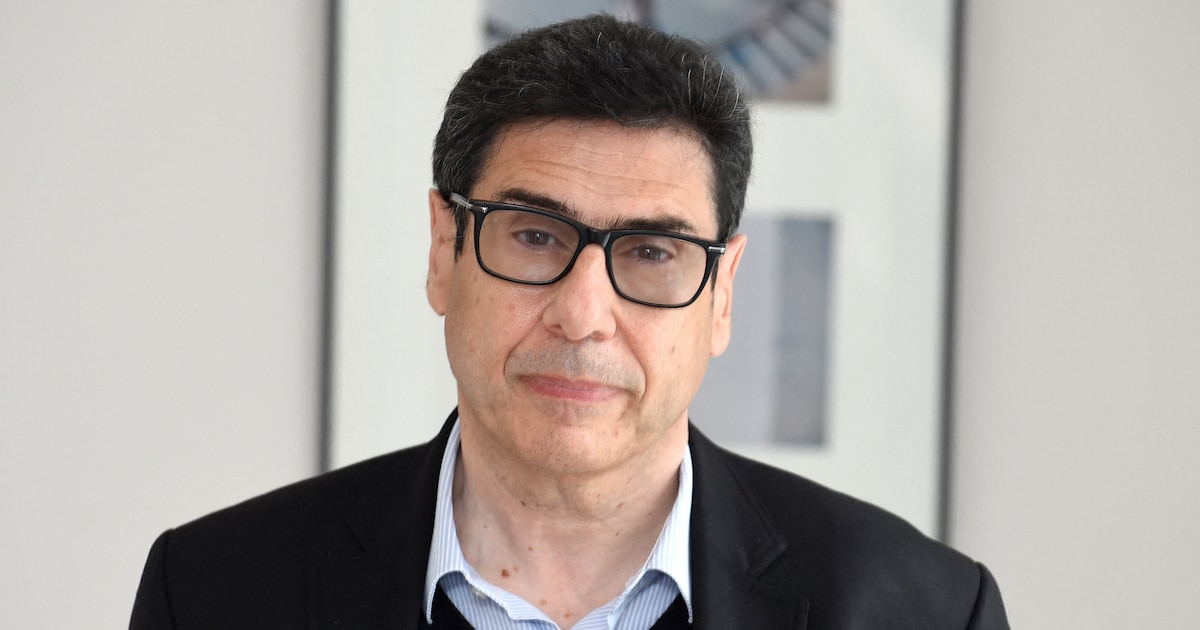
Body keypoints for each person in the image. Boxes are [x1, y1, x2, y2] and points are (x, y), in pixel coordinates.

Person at [130, 14, 1008, 629]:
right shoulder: (215, 592)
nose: (584, 315)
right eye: (536, 236)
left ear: (723, 291)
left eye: (652, 253)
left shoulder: (924, 611)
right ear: (445, 250)